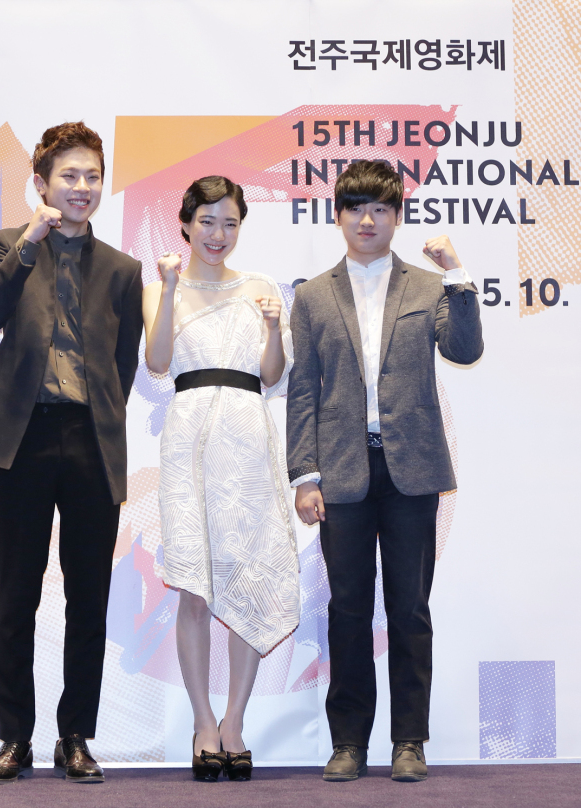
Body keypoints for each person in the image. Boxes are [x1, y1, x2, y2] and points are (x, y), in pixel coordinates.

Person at [286, 160, 483, 783]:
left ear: (396, 216)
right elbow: (304, 392)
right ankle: (348, 742)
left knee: (409, 608)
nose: (367, 219)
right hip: (342, 470)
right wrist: (304, 474)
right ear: (338, 214)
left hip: (411, 471)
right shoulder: (314, 295)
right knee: (347, 609)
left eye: (380, 208)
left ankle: (409, 742)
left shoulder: (427, 286)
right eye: (355, 207)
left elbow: (465, 350)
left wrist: (456, 272)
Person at [0, 122, 143, 784]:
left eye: (93, 175)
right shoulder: (10, 245)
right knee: (17, 594)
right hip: (22, 439)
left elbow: (123, 367)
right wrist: (31, 242)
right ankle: (15, 737)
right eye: (69, 175)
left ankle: (75, 736)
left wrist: (98, 414)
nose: (83, 187)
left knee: (88, 598)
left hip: (91, 441)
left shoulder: (123, 270)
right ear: (42, 184)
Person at [143, 176, 299, 782]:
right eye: (207, 221)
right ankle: (202, 723)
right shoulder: (161, 286)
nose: (218, 234)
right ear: (186, 223)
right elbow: (156, 363)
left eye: (230, 222)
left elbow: (273, 375)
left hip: (247, 439)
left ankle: (234, 723)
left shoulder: (260, 288)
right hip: (188, 441)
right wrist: (171, 285)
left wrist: (273, 328)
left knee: (249, 575)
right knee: (194, 585)